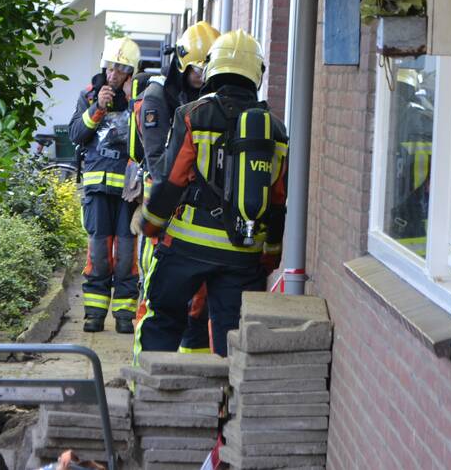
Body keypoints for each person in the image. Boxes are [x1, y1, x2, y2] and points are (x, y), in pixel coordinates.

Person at [135, 29, 288, 357]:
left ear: (213, 68)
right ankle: (226, 404)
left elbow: (172, 178)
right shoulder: (275, 129)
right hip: (243, 253)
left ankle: (152, 394)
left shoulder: (193, 115)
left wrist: (150, 224)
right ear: (256, 74)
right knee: (232, 334)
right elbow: (277, 199)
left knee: (163, 319)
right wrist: (269, 255)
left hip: (186, 248)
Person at [130, 21, 220, 357]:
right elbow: (158, 163)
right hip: (163, 211)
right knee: (156, 296)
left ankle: (190, 374)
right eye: (197, 69)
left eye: (207, 69)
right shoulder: (156, 99)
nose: (202, 76)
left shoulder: (206, 96)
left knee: (197, 302)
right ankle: (143, 373)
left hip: (194, 212)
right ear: (182, 63)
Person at [69, 36, 142, 334]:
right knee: (98, 254)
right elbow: (76, 134)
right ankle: (94, 315)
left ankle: (124, 315)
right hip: (97, 190)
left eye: (121, 69)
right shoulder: (89, 96)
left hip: (128, 193)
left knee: (126, 255)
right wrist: (97, 108)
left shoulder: (140, 102)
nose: (113, 75)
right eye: (110, 68)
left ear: (130, 73)